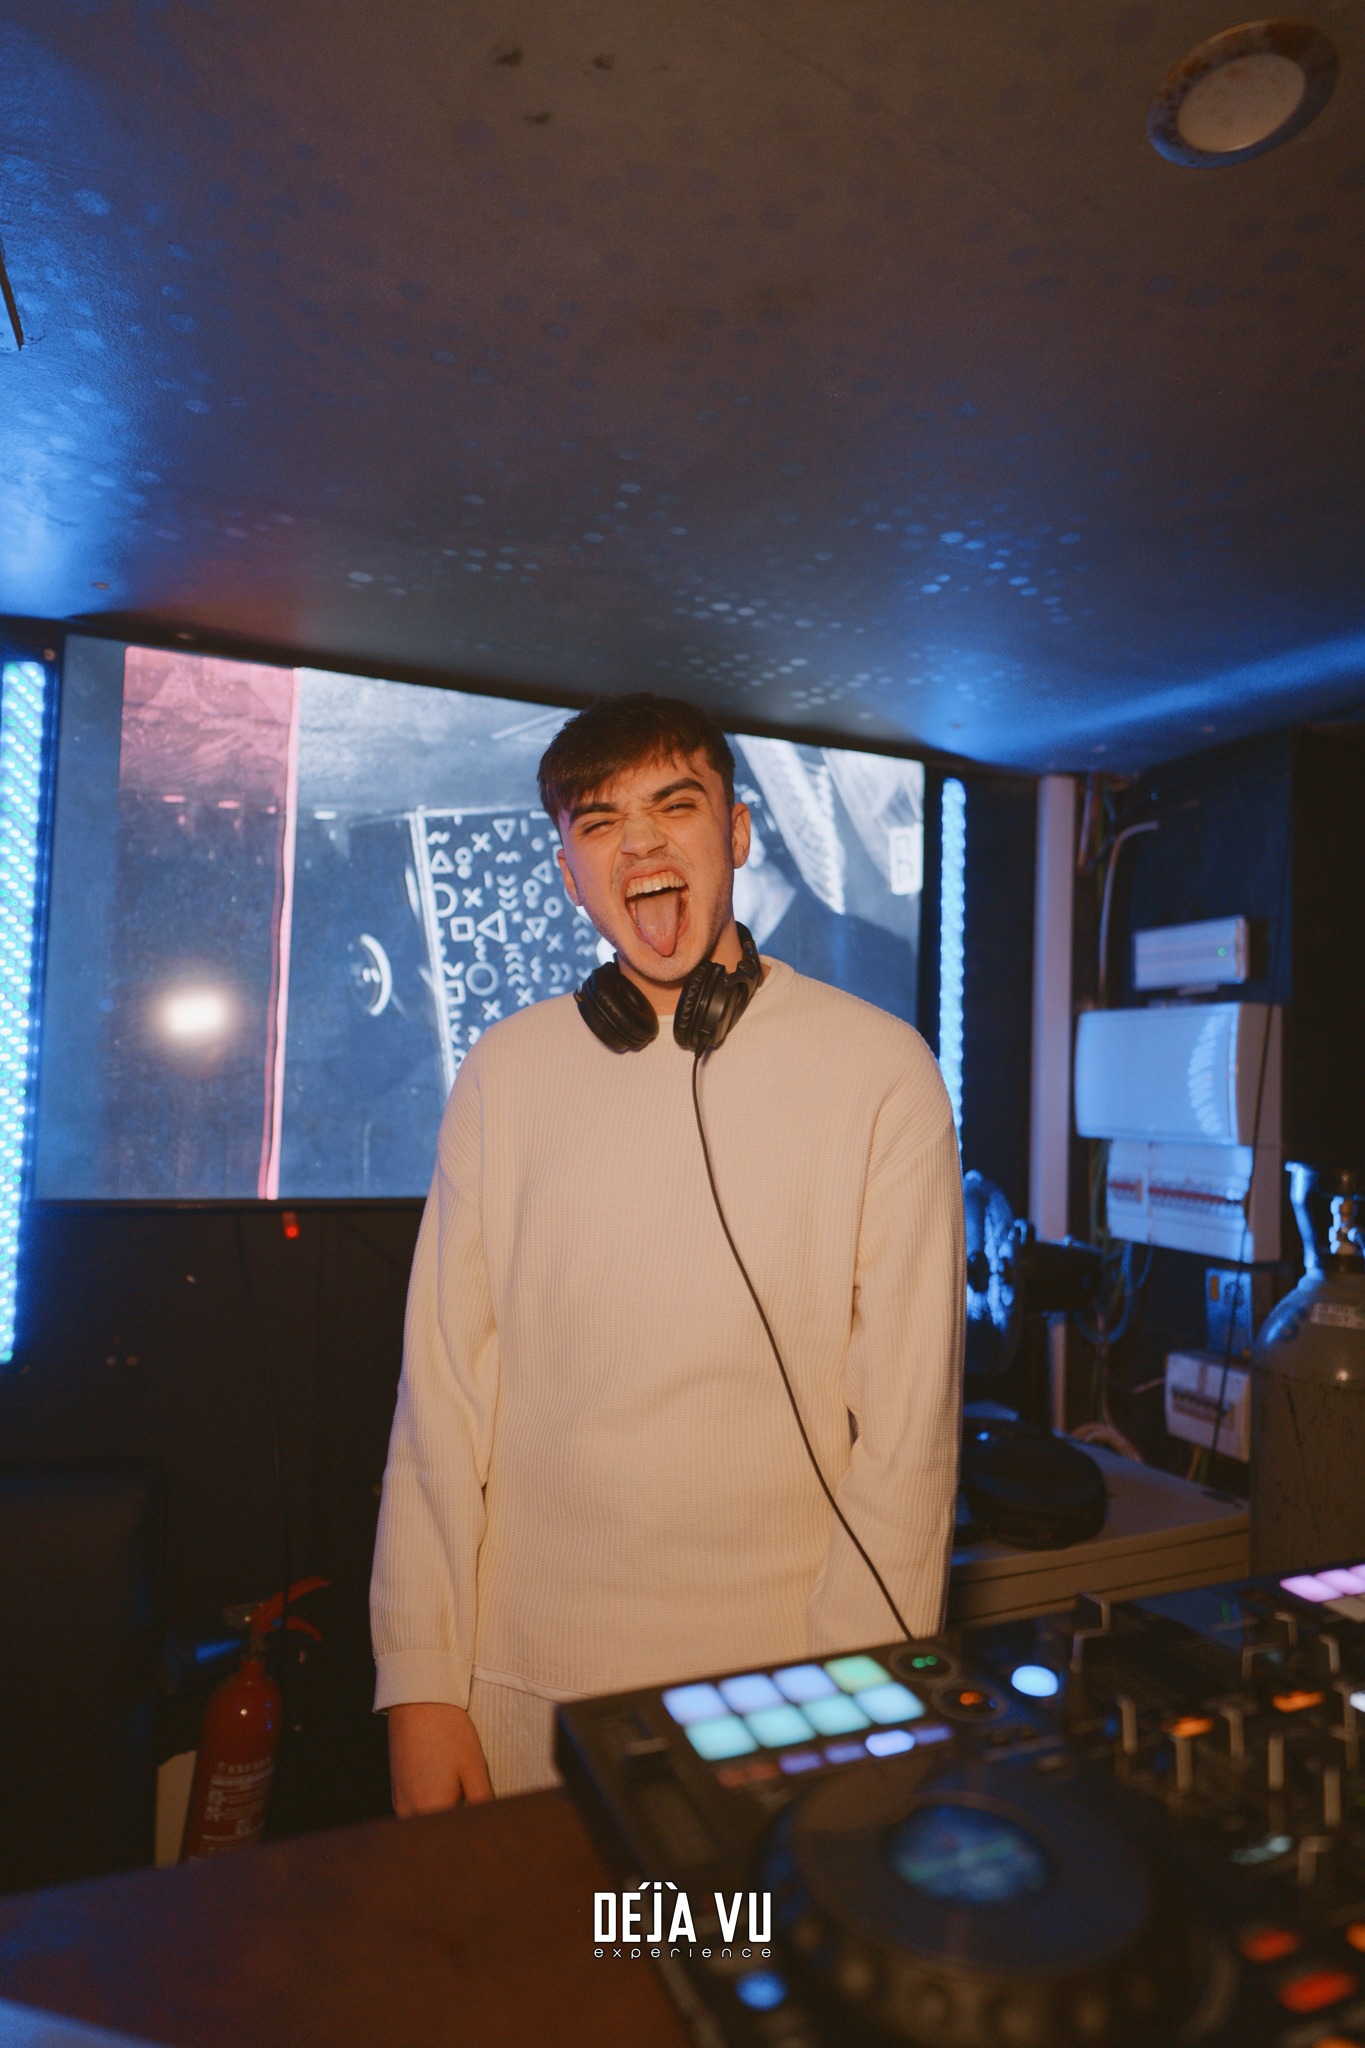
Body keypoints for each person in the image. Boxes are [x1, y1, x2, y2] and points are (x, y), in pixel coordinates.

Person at [371, 694, 964, 1813]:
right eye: (599, 823)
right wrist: (421, 1682)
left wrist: (852, 1703)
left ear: (737, 832)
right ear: (569, 874)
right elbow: (440, 1397)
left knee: (719, 1935)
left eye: (673, 806)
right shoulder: (504, 1070)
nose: (638, 843)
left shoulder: (883, 1070)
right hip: (514, 1699)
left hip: (775, 1706)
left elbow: (907, 1439)